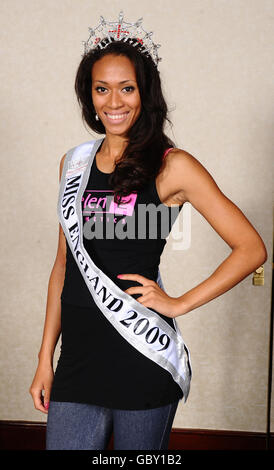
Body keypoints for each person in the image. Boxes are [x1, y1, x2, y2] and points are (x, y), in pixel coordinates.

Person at [29, 12, 267, 451]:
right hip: (78, 359)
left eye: (127, 88)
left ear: (144, 93)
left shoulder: (172, 165)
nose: (113, 102)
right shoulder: (73, 163)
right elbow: (63, 266)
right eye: (102, 88)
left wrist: (178, 303)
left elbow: (251, 248)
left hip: (141, 353)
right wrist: (46, 358)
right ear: (90, 95)